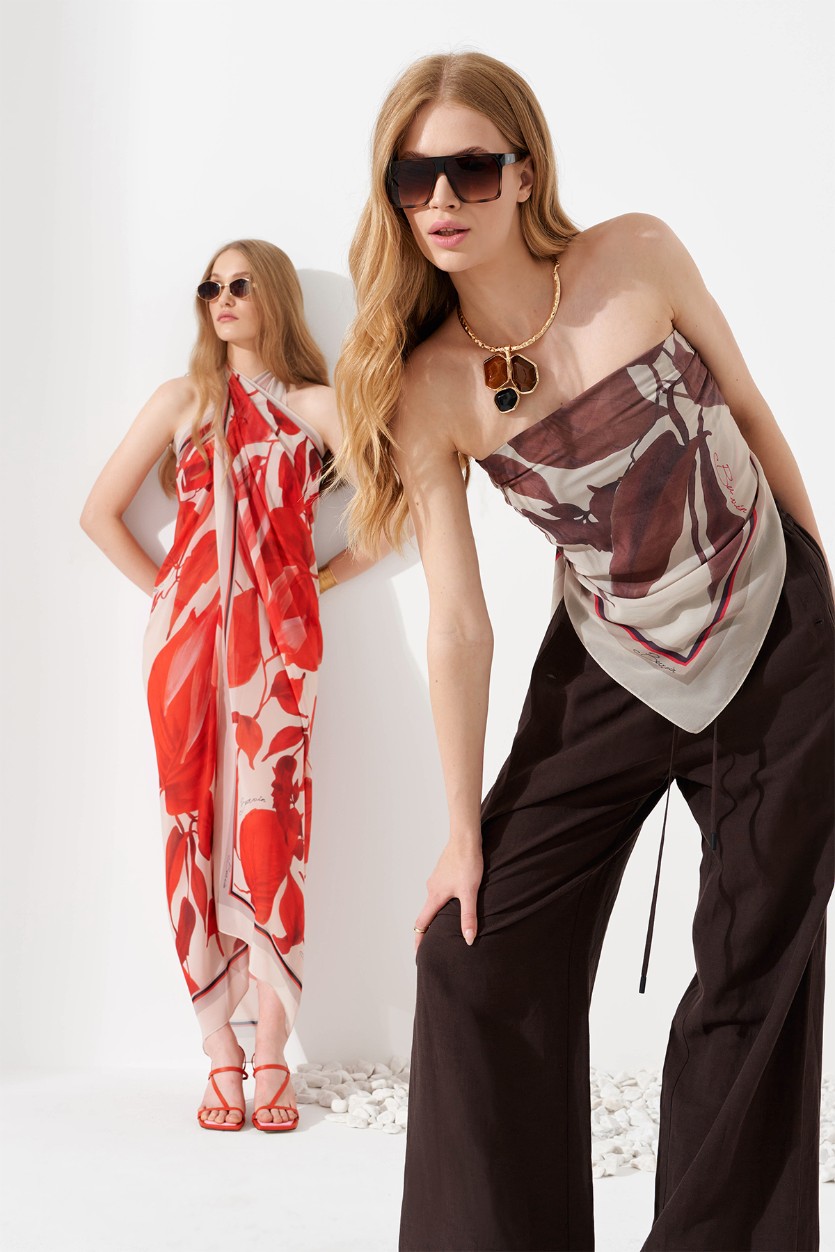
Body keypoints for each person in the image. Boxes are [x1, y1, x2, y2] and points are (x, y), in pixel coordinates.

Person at [333, 51, 834, 1250]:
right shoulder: (425, 388)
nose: (441, 199)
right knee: (469, 958)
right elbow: (457, 619)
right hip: (605, 665)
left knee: (752, 976)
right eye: (413, 177)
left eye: (469, 169)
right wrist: (464, 835)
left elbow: (750, 413)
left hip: (774, 632)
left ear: (523, 172)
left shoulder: (637, 256)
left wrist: (819, 605)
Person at [81, 239, 379, 1132]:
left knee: (271, 826)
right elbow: (98, 513)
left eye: (239, 283)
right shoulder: (183, 400)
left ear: (273, 294)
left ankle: (272, 1049)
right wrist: (177, 596)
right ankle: (218, 1051)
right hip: (185, 650)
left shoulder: (316, 406)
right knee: (190, 827)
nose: (221, 297)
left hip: (277, 654)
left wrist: (320, 579)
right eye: (210, 285)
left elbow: (398, 499)